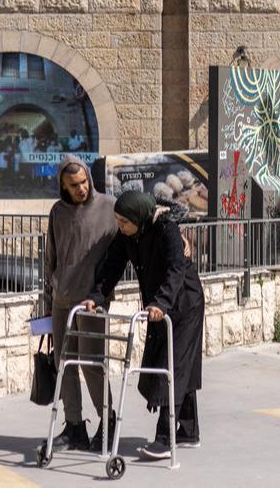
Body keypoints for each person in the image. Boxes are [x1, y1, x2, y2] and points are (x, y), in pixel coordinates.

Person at [84, 191, 204, 459]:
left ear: (138, 216)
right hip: (158, 306)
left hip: (184, 303)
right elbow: (112, 267)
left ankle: (165, 436)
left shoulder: (166, 229)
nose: (120, 226)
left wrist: (161, 302)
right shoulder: (129, 235)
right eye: (118, 220)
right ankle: (188, 430)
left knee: (172, 364)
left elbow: (176, 268)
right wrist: (95, 297)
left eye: (124, 221)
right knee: (178, 363)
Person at [45, 155, 119, 452]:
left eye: (84, 182)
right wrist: (50, 292)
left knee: (92, 364)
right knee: (63, 364)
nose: (82, 189)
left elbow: (140, 219)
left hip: (92, 302)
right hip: (62, 300)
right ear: (63, 185)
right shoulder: (58, 212)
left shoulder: (109, 207)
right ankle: (74, 425)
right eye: (74, 185)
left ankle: (108, 419)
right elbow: (50, 256)